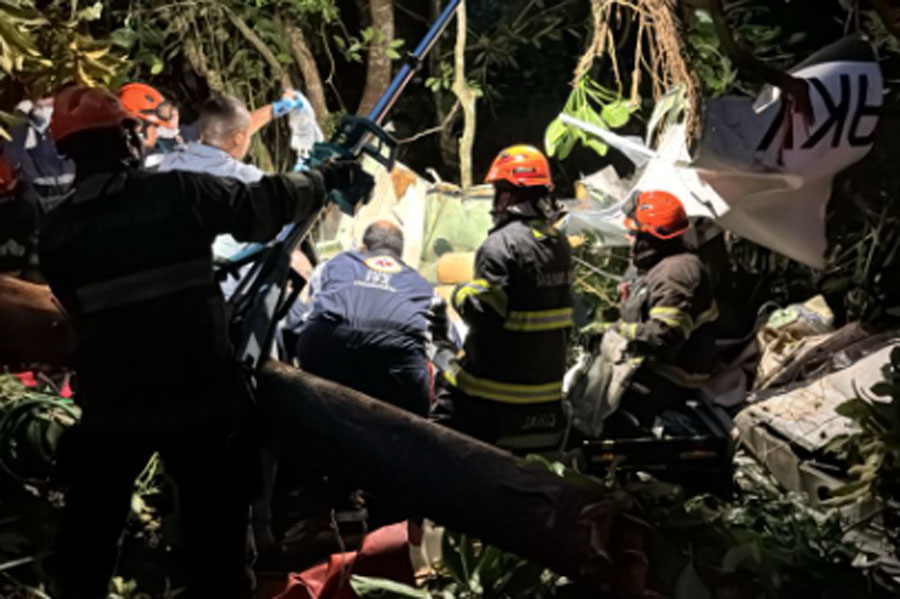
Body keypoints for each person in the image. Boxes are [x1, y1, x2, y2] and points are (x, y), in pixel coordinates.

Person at [40, 85, 364, 599]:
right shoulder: (178, 194)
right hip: (197, 396)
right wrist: (325, 177)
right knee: (216, 544)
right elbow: (268, 204)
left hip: (115, 404)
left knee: (89, 538)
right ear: (127, 137)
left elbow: (77, 308)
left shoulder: (56, 231)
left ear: (66, 151)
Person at [430, 145, 573, 452]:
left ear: (509, 196)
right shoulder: (558, 244)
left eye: (498, 192)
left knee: (443, 390)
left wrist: (459, 293)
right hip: (545, 397)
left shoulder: (500, 245)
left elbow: (485, 315)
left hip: (493, 398)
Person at [290, 220, 448, 416]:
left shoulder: (332, 265)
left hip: (321, 361)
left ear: (363, 247)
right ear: (400, 254)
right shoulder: (426, 289)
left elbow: (312, 309)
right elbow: (446, 345)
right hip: (398, 389)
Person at [604, 190, 720, 429]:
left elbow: (663, 338)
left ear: (648, 239)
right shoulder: (661, 266)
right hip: (654, 373)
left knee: (603, 420)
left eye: (633, 232)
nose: (628, 238)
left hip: (670, 382)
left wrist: (617, 331)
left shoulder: (675, 274)